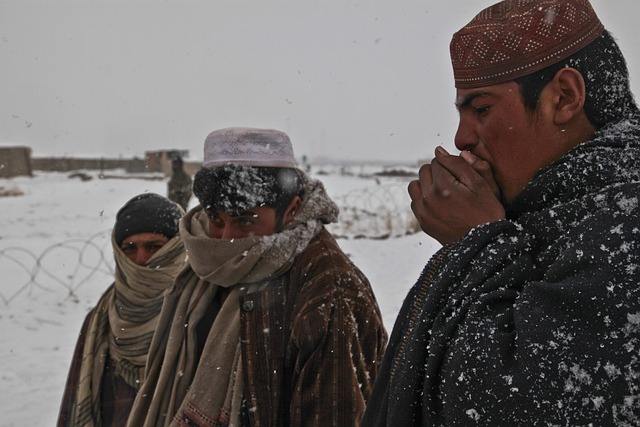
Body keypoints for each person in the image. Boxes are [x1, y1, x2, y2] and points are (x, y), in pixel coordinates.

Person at [363, 0, 640, 425]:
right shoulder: (544, 215)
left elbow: (521, 406)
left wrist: (480, 242)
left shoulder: (625, 229)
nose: (461, 137)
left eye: (482, 109)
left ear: (564, 98)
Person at [126, 127, 387, 427]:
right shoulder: (205, 266)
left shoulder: (328, 291)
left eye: (245, 221)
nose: (226, 238)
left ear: (292, 210)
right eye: (216, 220)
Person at [57, 193, 186, 427]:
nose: (141, 259)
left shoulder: (200, 309)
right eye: (129, 247)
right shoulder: (103, 317)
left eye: (154, 247)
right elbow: (74, 400)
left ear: (176, 248)